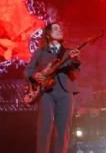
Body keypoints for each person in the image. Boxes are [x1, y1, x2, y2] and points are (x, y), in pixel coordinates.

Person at [24, 22, 80, 153]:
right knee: (44, 127)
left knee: (63, 129)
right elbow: (27, 71)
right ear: (48, 34)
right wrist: (35, 76)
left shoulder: (68, 52)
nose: (59, 30)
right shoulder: (40, 52)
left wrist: (76, 60)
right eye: (56, 29)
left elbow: (77, 68)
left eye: (60, 28)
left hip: (66, 91)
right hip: (46, 92)